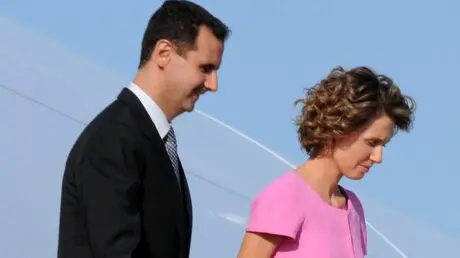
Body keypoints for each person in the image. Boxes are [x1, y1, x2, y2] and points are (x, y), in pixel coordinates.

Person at [56, 1, 230, 258]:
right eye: (205, 68)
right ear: (163, 53)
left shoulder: (149, 140)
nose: (212, 84)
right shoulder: (114, 139)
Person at [236, 66, 416, 258]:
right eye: (372, 142)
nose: (377, 157)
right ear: (339, 127)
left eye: (383, 145)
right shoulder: (284, 196)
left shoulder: (353, 208)